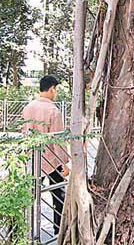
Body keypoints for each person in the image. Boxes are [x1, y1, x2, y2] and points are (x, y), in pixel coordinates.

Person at [22, 75, 69, 235]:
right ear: (51, 89)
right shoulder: (53, 110)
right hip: (51, 161)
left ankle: (26, 231)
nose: (55, 94)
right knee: (59, 195)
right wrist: (65, 163)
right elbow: (58, 140)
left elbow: (24, 134)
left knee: (28, 196)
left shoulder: (27, 108)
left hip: (32, 160)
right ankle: (58, 230)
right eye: (55, 90)